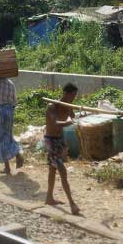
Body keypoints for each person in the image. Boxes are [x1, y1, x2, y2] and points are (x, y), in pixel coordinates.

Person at [44, 83, 80, 215]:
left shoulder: (68, 107)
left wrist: (71, 113)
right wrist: (69, 122)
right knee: (62, 171)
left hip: (59, 140)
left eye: (75, 96)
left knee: (53, 169)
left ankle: (49, 197)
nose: (73, 98)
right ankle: (72, 204)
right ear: (66, 93)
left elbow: (73, 116)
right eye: (72, 95)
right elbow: (55, 124)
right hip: (51, 140)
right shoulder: (52, 106)